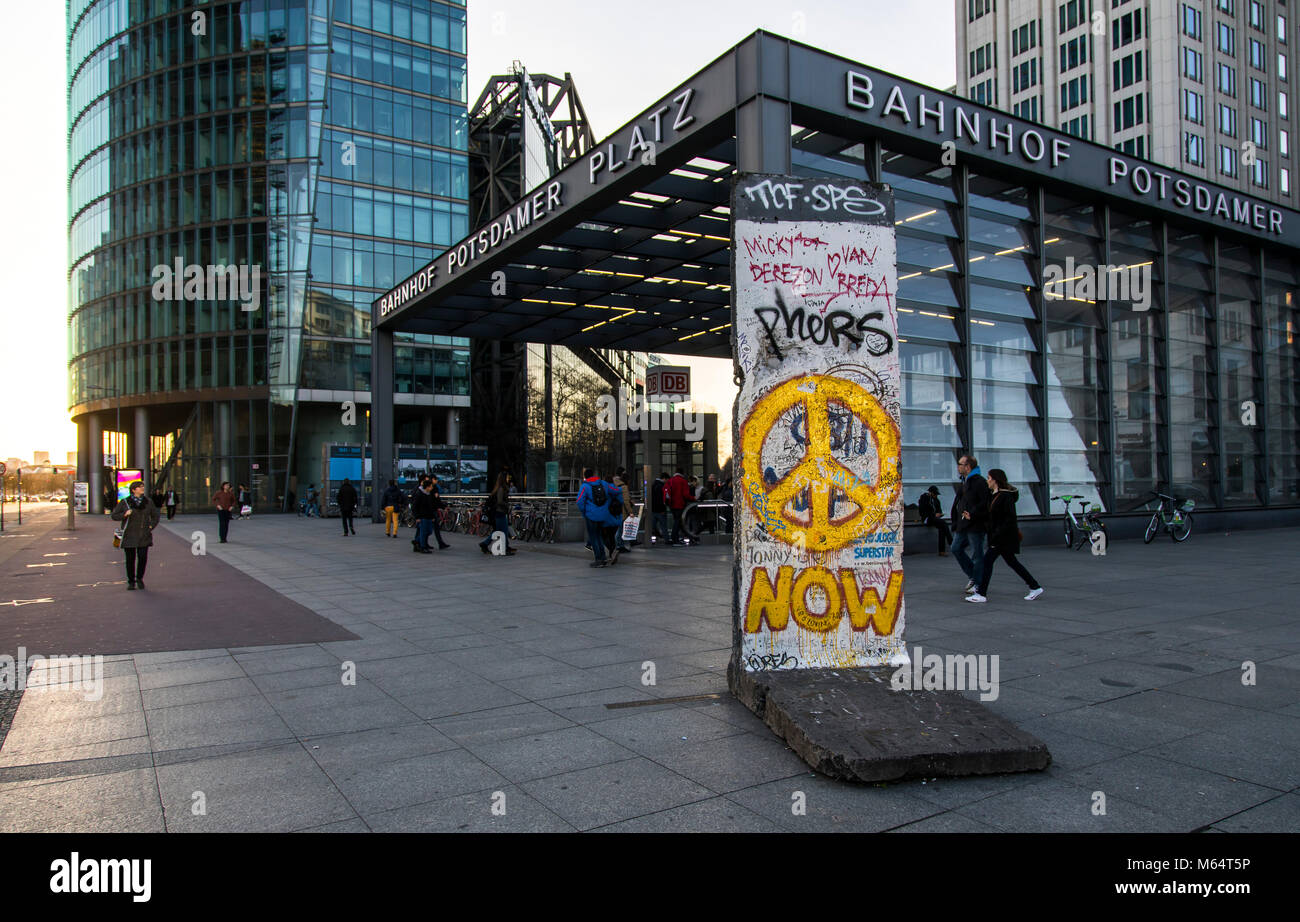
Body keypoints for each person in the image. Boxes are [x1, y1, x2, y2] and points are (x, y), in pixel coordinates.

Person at [966, 469, 1044, 604]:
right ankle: (1035, 586)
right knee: (1012, 562)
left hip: (1003, 537)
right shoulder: (994, 495)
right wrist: (972, 516)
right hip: (1000, 536)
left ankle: (981, 593)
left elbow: (1009, 519)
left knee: (987, 562)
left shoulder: (1005, 496)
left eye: (989, 478)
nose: (987, 480)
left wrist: (997, 535)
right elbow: (990, 515)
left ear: (995, 480)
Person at [950, 454, 990, 596]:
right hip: (963, 524)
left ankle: (977, 583)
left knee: (977, 554)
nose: (958, 467)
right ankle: (974, 575)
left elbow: (984, 502)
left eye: (960, 464)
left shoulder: (979, 482)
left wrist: (972, 514)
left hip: (975, 525)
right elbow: (959, 502)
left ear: (968, 466)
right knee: (955, 548)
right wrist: (955, 520)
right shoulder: (965, 481)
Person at [111, 480, 160, 590]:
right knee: (130, 559)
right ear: (133, 490)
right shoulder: (125, 502)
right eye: (140, 487)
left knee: (142, 558)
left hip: (144, 534)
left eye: (143, 486)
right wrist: (124, 514)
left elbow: (156, 516)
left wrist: (151, 526)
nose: (142, 488)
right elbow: (114, 516)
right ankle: (131, 581)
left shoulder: (148, 502)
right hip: (129, 535)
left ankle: (139, 578)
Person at [576, 468, 623, 568]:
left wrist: (584, 512)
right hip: (603, 515)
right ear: (593, 474)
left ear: (585, 477)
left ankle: (599, 559)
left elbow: (579, 501)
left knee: (594, 538)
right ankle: (604, 557)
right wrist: (623, 488)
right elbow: (616, 491)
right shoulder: (603, 483)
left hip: (591, 515)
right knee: (600, 536)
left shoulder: (585, 486)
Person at [478, 472, 516, 555]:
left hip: (500, 512)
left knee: (499, 531)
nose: (508, 479)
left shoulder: (499, 488)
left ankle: (486, 544)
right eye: (507, 477)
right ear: (503, 479)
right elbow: (500, 501)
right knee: (503, 531)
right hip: (500, 512)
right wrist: (507, 505)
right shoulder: (501, 489)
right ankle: (503, 548)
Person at [918, 485, 951, 556]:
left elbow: (939, 510)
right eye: (934, 494)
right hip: (927, 518)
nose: (936, 496)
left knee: (942, 529)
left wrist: (939, 514)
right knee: (943, 523)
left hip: (935, 519)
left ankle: (942, 551)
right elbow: (922, 511)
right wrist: (933, 515)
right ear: (930, 493)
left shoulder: (937, 501)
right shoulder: (924, 498)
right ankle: (951, 542)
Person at [666, 467, 691, 546]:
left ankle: (678, 537)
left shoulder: (670, 480)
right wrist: (694, 498)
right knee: (678, 521)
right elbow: (686, 495)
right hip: (680, 504)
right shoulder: (683, 481)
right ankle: (675, 539)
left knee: (677, 521)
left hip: (671, 505)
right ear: (682, 473)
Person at [611, 467, 634, 553]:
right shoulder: (623, 487)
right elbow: (626, 501)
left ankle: (619, 545)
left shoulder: (613, 483)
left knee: (619, 528)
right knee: (620, 529)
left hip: (614, 510)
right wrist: (630, 512)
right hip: (622, 511)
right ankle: (619, 545)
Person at [428, 474, 451, 549]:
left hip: (431, 510)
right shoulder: (433, 488)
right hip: (432, 510)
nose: (437, 481)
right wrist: (443, 506)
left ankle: (439, 543)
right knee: (430, 528)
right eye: (435, 479)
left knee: (433, 528)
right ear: (432, 480)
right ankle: (419, 541)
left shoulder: (430, 487)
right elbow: (436, 500)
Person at [650, 471, 669, 545]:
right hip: (660, 510)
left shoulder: (653, 484)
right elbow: (662, 499)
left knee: (653, 526)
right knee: (664, 526)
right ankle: (666, 540)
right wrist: (663, 508)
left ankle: (653, 539)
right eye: (667, 480)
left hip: (653, 509)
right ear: (664, 478)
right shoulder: (662, 486)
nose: (667, 482)